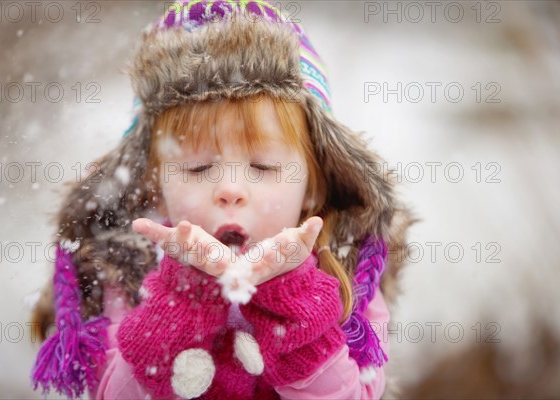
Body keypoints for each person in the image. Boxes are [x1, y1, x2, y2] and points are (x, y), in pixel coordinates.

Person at [30, 1, 414, 399]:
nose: (230, 190)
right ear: (155, 184)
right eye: (198, 169)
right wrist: (180, 301)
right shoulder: (129, 270)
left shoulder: (344, 275)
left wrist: (293, 301)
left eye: (262, 168)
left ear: (314, 186)